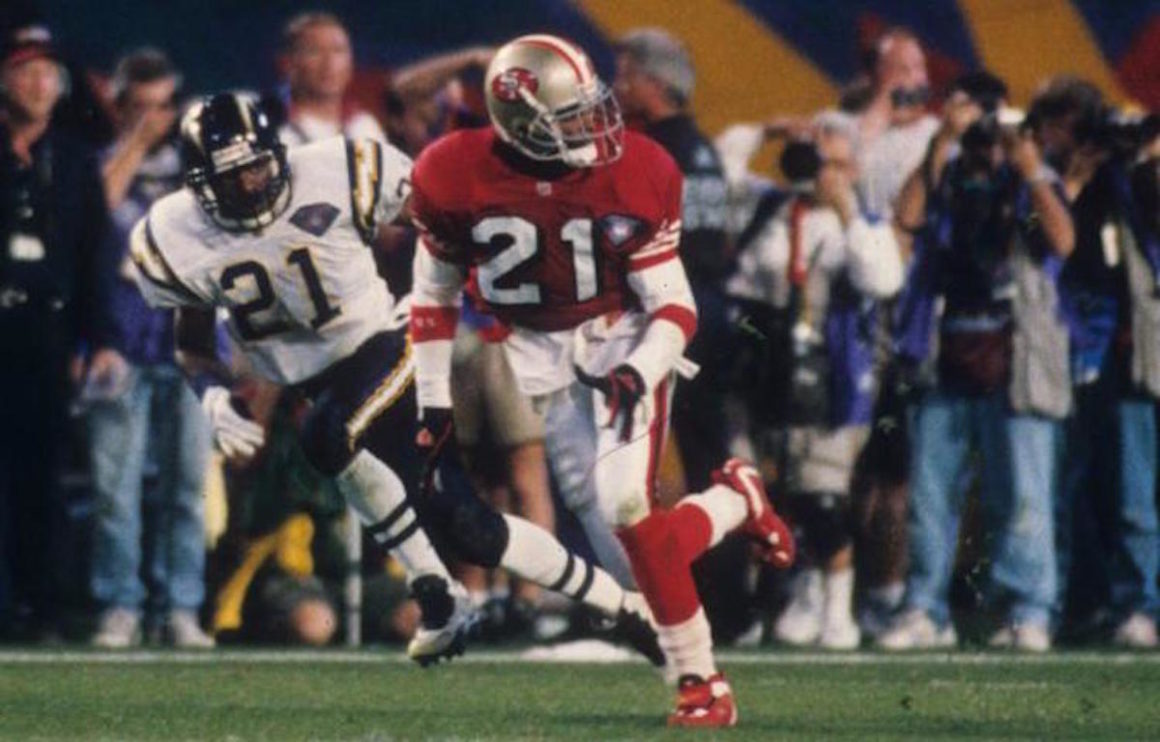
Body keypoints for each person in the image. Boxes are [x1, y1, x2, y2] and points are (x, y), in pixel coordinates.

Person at [130, 92, 658, 665]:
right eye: (234, 177)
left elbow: (450, 227)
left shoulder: (337, 169)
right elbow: (192, 345)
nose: (254, 185)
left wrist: (434, 295)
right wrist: (210, 396)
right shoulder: (173, 235)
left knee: (326, 436)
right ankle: (622, 605)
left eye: (258, 166)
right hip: (317, 383)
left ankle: (434, 595)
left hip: (383, 345)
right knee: (469, 528)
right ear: (201, 185)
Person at [409, 34, 794, 727]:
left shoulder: (639, 168)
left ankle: (702, 684)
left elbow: (675, 307)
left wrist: (638, 368)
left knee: (624, 504)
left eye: (595, 107)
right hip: (542, 358)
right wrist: (432, 402)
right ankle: (735, 501)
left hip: (625, 336)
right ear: (522, 124)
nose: (597, 126)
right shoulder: (450, 172)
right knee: (627, 560)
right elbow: (432, 296)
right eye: (573, 116)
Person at [879, 72, 1075, 651]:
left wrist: (1028, 165)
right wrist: (941, 142)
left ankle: (1028, 610)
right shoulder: (949, 174)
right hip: (947, 353)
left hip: (1017, 356)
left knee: (1023, 492)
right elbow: (906, 219)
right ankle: (923, 609)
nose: (983, 139)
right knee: (930, 491)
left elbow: (1061, 242)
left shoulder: (1023, 181)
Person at [725, 112, 904, 650]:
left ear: (850, 166)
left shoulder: (863, 221)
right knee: (760, 498)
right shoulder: (771, 209)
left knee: (821, 501)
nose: (814, 168)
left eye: (825, 158)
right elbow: (723, 163)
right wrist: (772, 129)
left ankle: (838, 611)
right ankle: (781, 603)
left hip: (830, 377)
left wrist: (845, 204)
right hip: (763, 373)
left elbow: (883, 279)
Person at [87, 47, 214, 649]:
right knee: (116, 486)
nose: (153, 119)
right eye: (139, 108)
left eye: (161, 107)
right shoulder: (99, 162)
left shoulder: (198, 170)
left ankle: (181, 604)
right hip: (120, 339)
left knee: (187, 485)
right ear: (118, 107)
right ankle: (120, 603)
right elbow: (93, 216)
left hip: (188, 342)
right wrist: (135, 143)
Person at [1029, 76, 1159, 648]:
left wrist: (1144, 160)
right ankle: (1095, 601)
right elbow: (1059, 240)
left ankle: (1138, 603)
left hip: (1132, 354)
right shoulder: (1055, 182)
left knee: (1133, 490)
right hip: (1073, 347)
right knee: (1080, 488)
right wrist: (1077, 176)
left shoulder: (1133, 181)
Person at [0, 24, 118, 639]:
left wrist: (100, 340)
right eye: (25, 68)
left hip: (45, 335)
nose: (40, 81)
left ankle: (38, 606)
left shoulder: (73, 159)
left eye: (50, 70)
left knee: (39, 474)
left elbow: (95, 256)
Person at [849, 28, 941, 638]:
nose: (912, 73)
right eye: (898, 63)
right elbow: (849, 162)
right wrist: (881, 100)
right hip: (857, 318)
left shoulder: (935, 137)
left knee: (904, 466)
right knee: (856, 462)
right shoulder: (857, 125)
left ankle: (893, 588)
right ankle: (861, 586)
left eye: (918, 60)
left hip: (915, 318)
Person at [613, 28, 731, 497]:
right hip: (713, 306)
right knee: (709, 450)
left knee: (638, 450)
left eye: (626, 77)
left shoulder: (650, 151)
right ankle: (722, 565)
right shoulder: (704, 150)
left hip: (670, 313)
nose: (617, 87)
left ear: (655, 85)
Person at [275, 11, 387, 147]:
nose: (329, 63)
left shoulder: (364, 126)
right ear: (288, 63)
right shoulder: (273, 127)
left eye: (338, 51)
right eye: (314, 51)